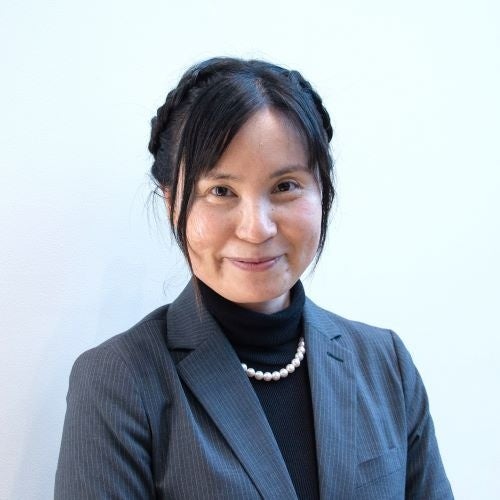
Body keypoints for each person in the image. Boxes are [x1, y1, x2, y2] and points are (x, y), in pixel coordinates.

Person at [54, 57, 453, 499]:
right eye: (221, 191)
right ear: (171, 203)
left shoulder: (385, 363)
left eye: (285, 186)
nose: (256, 228)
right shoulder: (120, 381)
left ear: (322, 189)